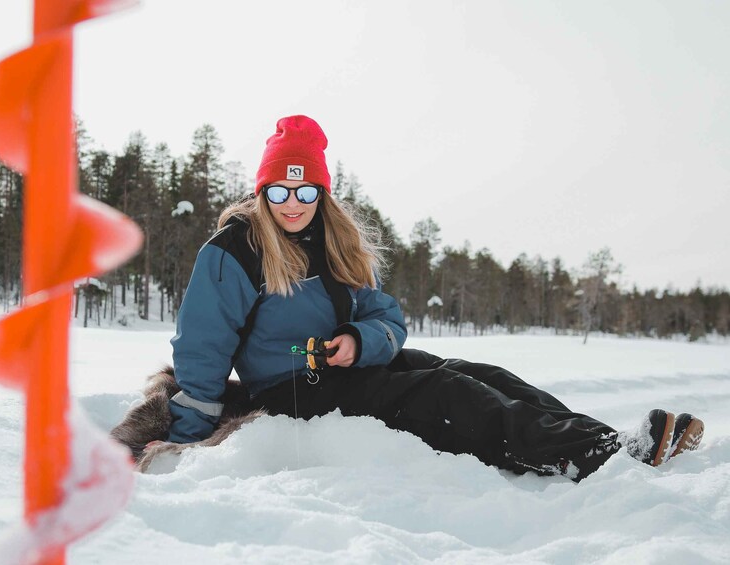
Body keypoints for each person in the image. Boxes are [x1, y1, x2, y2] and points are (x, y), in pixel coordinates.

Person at [159, 115, 703, 481]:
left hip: (347, 368)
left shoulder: (335, 245)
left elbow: (386, 318)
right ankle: (597, 457)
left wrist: (355, 339)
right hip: (288, 388)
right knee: (443, 393)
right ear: (262, 191)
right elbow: (202, 347)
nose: (292, 203)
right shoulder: (235, 250)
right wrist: (187, 440)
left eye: (306, 191)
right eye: (280, 190)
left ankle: (605, 438)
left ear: (322, 193)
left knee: (479, 372)